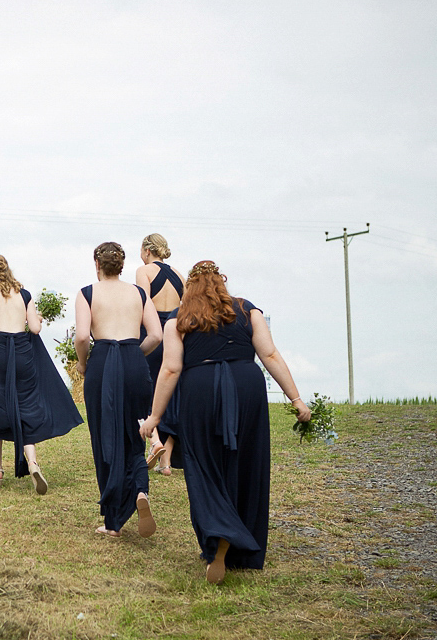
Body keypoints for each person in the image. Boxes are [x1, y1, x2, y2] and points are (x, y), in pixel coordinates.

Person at [141, 261, 311, 585]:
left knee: (204, 464)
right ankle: (240, 548)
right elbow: (270, 355)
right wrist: (296, 399)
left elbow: (171, 370)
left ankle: (218, 536)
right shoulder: (249, 311)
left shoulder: (178, 321)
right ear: (223, 283)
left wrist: (156, 417)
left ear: (188, 290)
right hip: (247, 386)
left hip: (200, 389)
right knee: (246, 462)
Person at [0, 254, 83, 493]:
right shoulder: (24, 295)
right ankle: (32, 462)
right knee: (24, 406)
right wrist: (37, 319)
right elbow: (34, 328)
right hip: (22, 356)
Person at [74, 242, 163, 537]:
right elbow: (156, 335)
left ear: (96, 264)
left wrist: (83, 364)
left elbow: (83, 337)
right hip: (133, 361)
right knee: (136, 434)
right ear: (122, 265)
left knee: (105, 436)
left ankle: (113, 521)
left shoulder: (87, 293)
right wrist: (135, 354)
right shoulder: (138, 293)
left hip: (102, 363)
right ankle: (140, 491)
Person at [134, 233, 185, 476]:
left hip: (152, 331)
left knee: (146, 388)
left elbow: (143, 303)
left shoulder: (143, 272)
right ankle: (166, 463)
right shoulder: (179, 274)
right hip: (175, 331)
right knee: (171, 393)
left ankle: (154, 441)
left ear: (146, 250)